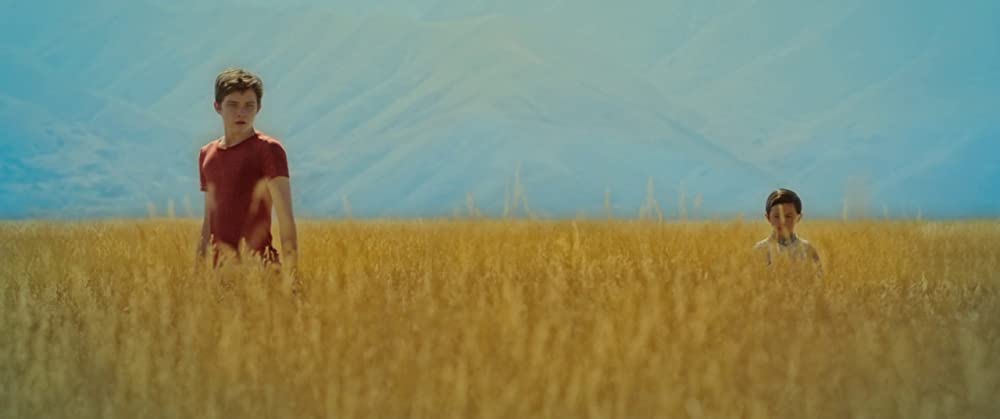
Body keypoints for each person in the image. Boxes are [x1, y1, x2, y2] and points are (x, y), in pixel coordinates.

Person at [196, 68, 298, 270]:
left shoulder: (269, 150)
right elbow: (208, 222)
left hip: (261, 271)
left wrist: (292, 276)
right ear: (217, 106)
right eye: (233, 105)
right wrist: (198, 271)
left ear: (258, 108)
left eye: (249, 105)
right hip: (219, 275)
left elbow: (286, 219)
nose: (241, 112)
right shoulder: (206, 153)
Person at [753, 188, 821, 274]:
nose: (782, 221)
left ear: (798, 217)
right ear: (768, 218)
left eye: (788, 216)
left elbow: (818, 280)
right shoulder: (760, 249)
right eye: (777, 216)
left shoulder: (807, 249)